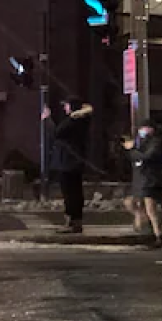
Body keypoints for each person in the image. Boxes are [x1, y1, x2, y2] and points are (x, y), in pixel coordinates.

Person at [44, 98, 93, 233]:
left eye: (66, 105)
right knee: (75, 191)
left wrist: (47, 120)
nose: (65, 108)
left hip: (67, 161)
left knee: (69, 192)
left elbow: (56, 133)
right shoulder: (82, 121)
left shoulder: (73, 121)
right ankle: (76, 220)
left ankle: (71, 221)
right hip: (74, 161)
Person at [122, 123, 162, 247]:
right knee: (130, 202)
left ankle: (158, 235)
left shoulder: (155, 143)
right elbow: (133, 157)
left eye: (144, 128)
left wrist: (132, 150)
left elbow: (147, 156)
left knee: (150, 208)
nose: (141, 131)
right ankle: (144, 224)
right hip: (139, 179)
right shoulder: (140, 142)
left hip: (150, 180)